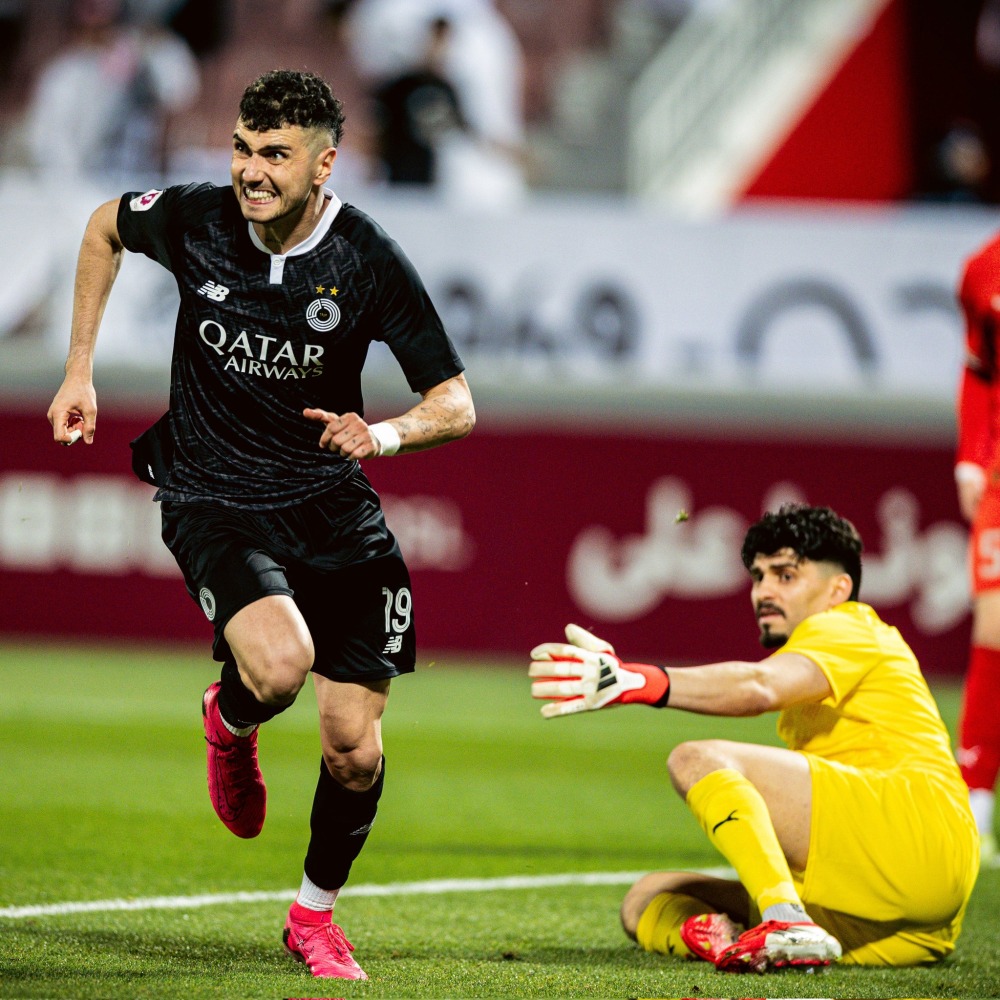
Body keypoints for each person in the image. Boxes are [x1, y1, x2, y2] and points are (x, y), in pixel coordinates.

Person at [47, 68, 475, 981]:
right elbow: (102, 227)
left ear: (325, 163)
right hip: (212, 493)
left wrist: (387, 433)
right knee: (279, 665)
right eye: (243, 147)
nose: (251, 171)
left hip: (331, 509)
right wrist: (78, 367)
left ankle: (312, 917)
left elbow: (456, 402)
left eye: (275, 154)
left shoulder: (364, 258)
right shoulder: (196, 217)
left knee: (354, 750)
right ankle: (233, 721)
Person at [529, 503, 978, 971]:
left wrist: (637, 681)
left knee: (697, 758)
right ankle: (737, 944)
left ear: (837, 589)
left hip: (916, 833)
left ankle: (784, 919)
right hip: (909, 912)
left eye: (785, 575)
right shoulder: (826, 654)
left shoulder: (850, 625)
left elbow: (759, 686)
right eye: (758, 576)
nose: (764, 590)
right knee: (648, 898)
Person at [955, 231, 1000, 865]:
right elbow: (980, 368)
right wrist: (970, 457)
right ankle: (976, 807)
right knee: (994, 630)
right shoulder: (982, 268)